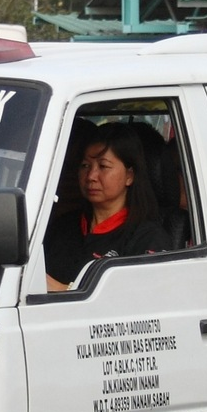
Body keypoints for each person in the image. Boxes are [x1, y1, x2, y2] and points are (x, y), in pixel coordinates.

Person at [44, 122, 171, 291]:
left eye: (103, 166)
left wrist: (65, 290)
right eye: (85, 166)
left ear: (129, 176)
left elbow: (140, 303)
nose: (91, 176)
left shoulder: (147, 238)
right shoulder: (62, 226)